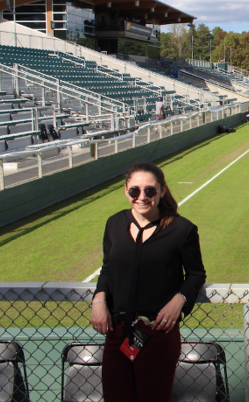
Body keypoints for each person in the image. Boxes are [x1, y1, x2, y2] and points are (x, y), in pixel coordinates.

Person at [91, 162, 206, 402]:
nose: (142, 197)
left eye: (150, 191)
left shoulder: (182, 229)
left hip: (158, 333)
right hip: (117, 333)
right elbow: (108, 269)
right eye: (135, 191)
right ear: (126, 190)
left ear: (162, 191)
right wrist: (99, 298)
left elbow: (196, 274)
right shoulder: (114, 224)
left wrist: (179, 300)